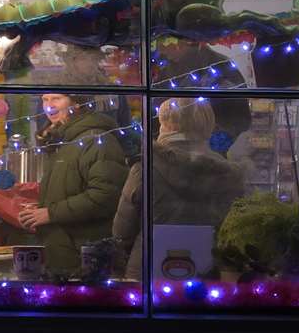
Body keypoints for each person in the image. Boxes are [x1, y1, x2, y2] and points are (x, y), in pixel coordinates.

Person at [110, 97, 248, 278]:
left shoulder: (144, 169)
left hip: (148, 272)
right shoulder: (230, 175)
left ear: (164, 124)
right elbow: (236, 234)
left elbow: (122, 233)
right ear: (208, 124)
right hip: (209, 272)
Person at [15, 93, 130, 276]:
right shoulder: (62, 141)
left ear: (76, 103)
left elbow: (105, 195)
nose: (49, 105)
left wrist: (51, 213)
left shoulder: (96, 140)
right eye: (45, 100)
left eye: (56, 99)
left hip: (85, 258)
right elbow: (72, 189)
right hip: (64, 255)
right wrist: (40, 211)